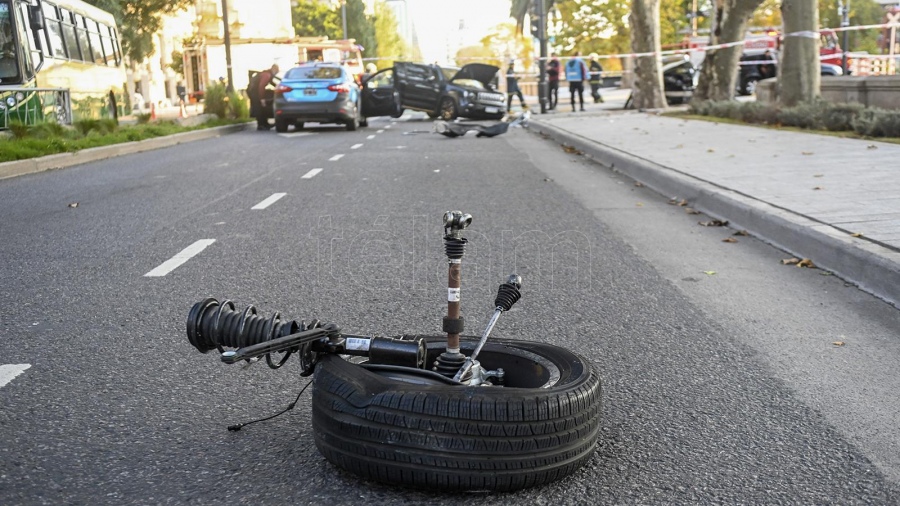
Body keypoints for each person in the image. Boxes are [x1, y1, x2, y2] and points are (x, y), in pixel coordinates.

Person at [253, 64, 279, 130]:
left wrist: (278, 86)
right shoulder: (267, 75)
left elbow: (272, 83)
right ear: (274, 69)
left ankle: (265, 124)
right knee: (259, 107)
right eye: (277, 71)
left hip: (256, 90)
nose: (276, 73)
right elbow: (261, 86)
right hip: (254, 91)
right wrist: (262, 99)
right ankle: (261, 125)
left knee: (262, 107)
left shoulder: (268, 74)